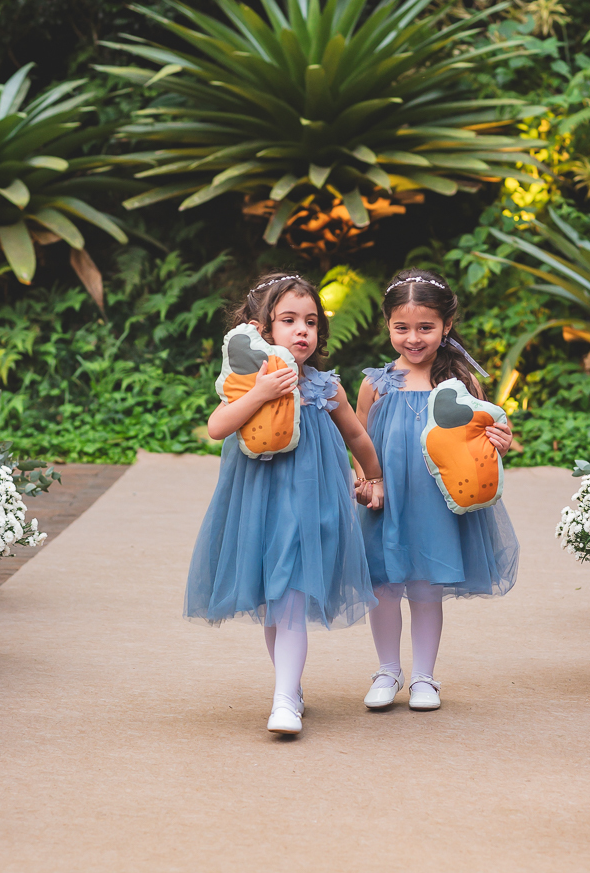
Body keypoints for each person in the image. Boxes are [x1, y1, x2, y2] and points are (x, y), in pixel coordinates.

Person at [185, 272, 384, 736]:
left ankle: (283, 701)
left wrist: (373, 476)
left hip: (311, 506)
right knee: (276, 601)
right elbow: (217, 427)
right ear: (261, 329)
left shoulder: (324, 386)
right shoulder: (246, 382)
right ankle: (289, 688)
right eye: (289, 320)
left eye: (311, 321)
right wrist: (261, 392)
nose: (302, 331)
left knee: (292, 595)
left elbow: (356, 434)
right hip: (259, 507)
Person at [355, 268, 519, 713]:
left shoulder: (460, 387)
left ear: (446, 326)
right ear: (387, 325)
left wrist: (499, 443)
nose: (413, 338)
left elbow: (487, 442)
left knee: (426, 588)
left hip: (435, 503)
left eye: (425, 327)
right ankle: (388, 669)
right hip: (387, 504)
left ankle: (425, 676)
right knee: (385, 587)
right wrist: (366, 481)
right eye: (401, 327)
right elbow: (360, 439)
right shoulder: (376, 383)